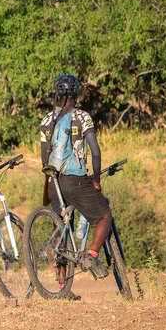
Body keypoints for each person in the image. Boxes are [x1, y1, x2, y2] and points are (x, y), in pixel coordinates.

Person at [39, 73, 110, 281]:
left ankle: (61, 283)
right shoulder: (82, 117)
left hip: (54, 183)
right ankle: (92, 255)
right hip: (76, 180)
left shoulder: (46, 121)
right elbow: (95, 152)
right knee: (104, 215)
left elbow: (45, 159)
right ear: (75, 93)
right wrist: (96, 180)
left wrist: (49, 188)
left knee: (60, 228)